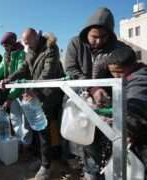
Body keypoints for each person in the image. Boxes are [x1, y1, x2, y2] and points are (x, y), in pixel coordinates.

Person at [64, 7, 127, 179]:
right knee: (88, 143)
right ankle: (92, 174)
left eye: (103, 37)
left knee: (108, 143)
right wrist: (92, 88)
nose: (98, 41)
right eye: (94, 36)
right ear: (87, 32)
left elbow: (124, 65)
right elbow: (70, 68)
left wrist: (104, 93)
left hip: (106, 104)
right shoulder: (75, 43)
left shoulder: (116, 47)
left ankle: (108, 172)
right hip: (83, 103)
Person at [1, 28, 64, 180]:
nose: (27, 46)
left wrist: (34, 90)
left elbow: (47, 73)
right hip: (39, 93)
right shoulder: (31, 50)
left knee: (44, 129)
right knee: (36, 127)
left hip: (50, 94)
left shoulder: (51, 48)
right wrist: (10, 78)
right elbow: (24, 68)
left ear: (36, 37)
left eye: (29, 42)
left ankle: (46, 166)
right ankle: (42, 160)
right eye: (25, 43)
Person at [105, 46, 147, 177]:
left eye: (119, 72)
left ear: (132, 66)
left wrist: (123, 124)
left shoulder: (139, 80)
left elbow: (135, 110)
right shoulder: (131, 76)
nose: (115, 76)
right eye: (112, 72)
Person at [0, 32, 31, 145]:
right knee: (14, 118)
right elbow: (0, 69)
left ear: (12, 43)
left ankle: (27, 145)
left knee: (25, 120)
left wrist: (9, 98)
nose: (5, 48)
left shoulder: (21, 54)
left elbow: (19, 75)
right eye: (3, 46)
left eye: (6, 45)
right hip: (12, 91)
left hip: (22, 91)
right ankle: (20, 141)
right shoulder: (6, 56)